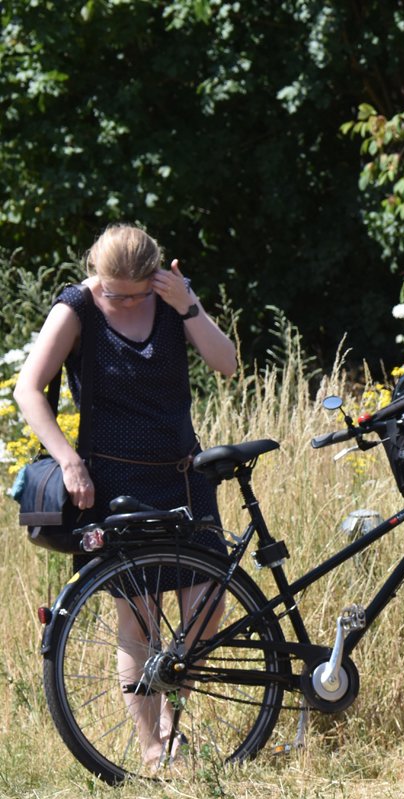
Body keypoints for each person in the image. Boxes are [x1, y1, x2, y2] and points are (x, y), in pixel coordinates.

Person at [15, 223, 238, 769]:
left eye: (138, 293)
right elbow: (27, 389)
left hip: (183, 476)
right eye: (116, 293)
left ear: (155, 275)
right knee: (138, 618)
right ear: (97, 273)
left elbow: (227, 364)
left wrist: (188, 305)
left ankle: (174, 719)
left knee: (207, 604)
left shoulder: (172, 298)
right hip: (113, 486)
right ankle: (153, 748)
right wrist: (68, 460)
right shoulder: (76, 308)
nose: (128, 302)